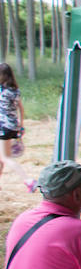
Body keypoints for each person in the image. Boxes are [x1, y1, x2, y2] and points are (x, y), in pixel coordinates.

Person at [0, 63, 34, 192]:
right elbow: (21, 108)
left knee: (5, 158)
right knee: (2, 157)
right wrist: (21, 125)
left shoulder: (2, 91)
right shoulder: (15, 90)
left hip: (3, 127)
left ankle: (28, 180)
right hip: (13, 126)